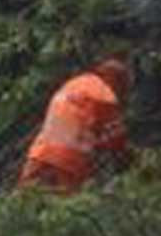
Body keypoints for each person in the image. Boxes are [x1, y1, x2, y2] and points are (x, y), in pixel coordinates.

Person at [18, 55, 133, 195]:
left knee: (25, 201)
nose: (123, 93)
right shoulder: (105, 95)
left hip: (39, 154)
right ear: (115, 79)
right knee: (62, 209)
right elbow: (117, 140)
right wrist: (131, 164)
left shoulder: (73, 84)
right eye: (124, 87)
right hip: (69, 163)